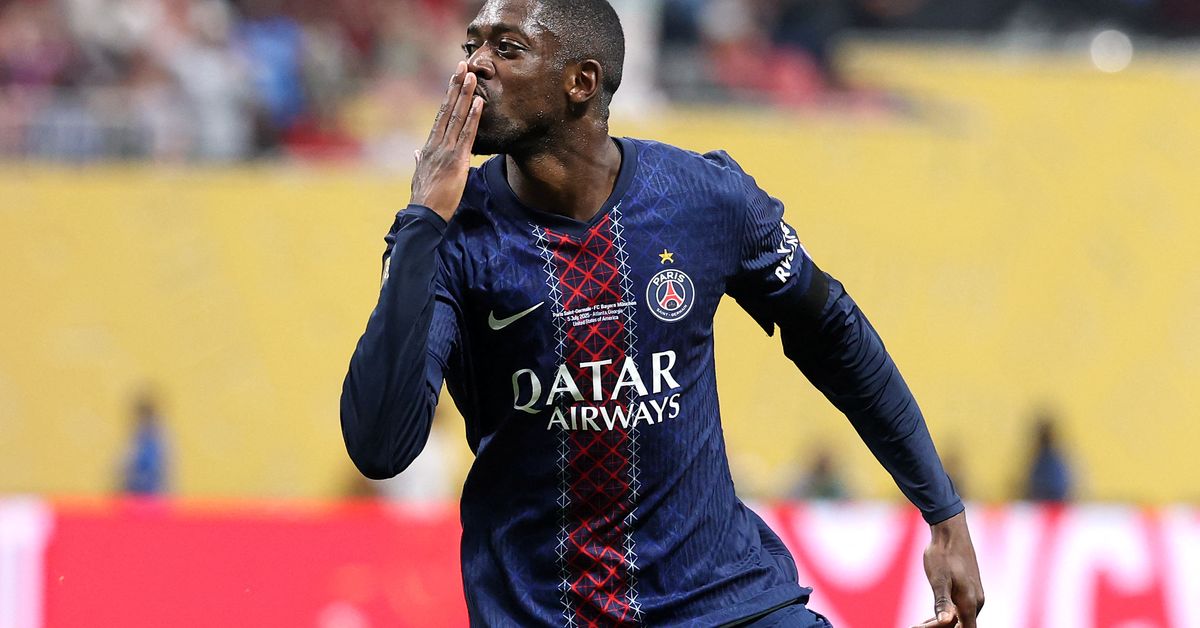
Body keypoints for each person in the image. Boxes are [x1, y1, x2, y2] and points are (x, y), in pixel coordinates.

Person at [340, 0, 984, 625]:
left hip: (723, 605)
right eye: (471, 45)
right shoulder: (450, 236)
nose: (474, 65)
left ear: (580, 82)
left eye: (506, 48)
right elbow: (380, 448)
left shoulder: (704, 199)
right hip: (543, 611)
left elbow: (836, 336)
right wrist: (423, 220)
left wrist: (943, 513)